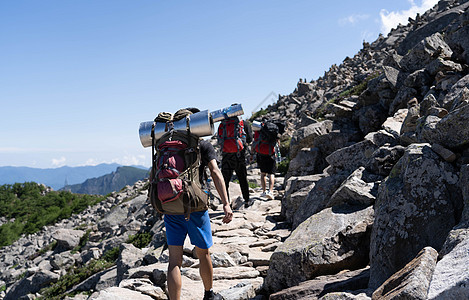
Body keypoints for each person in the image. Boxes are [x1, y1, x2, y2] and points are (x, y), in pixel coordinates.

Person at [162, 108, 233, 300]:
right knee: (203, 254)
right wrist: (226, 203)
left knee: (174, 262)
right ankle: (209, 294)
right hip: (195, 207)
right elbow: (215, 172)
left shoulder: (164, 145)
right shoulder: (202, 145)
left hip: (170, 206)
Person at [217, 113, 253, 206]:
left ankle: (227, 203)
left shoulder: (223, 124)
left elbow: (219, 139)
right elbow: (249, 139)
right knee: (242, 178)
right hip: (239, 155)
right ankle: (247, 200)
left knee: (225, 180)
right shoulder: (243, 123)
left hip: (226, 155)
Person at [252, 120, 280, 200]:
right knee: (271, 173)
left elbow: (254, 142)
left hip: (261, 154)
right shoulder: (273, 131)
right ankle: (270, 191)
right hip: (271, 154)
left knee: (263, 173)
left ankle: (264, 191)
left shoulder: (258, 131)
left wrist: (251, 154)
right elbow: (277, 142)